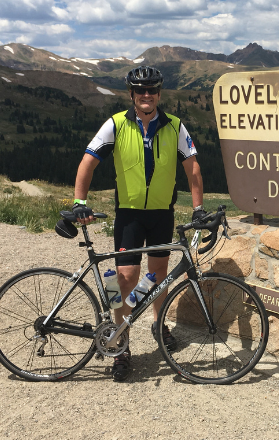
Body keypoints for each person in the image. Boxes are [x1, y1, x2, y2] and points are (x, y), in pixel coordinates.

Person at [72, 65, 206, 381]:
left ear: (159, 94)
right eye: (141, 90)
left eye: (152, 90)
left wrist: (198, 209)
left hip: (162, 213)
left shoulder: (175, 127)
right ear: (132, 94)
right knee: (125, 277)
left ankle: (159, 327)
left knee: (159, 276)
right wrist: (79, 202)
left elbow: (193, 169)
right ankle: (120, 341)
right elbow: (87, 163)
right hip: (130, 215)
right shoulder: (115, 125)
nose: (147, 95)